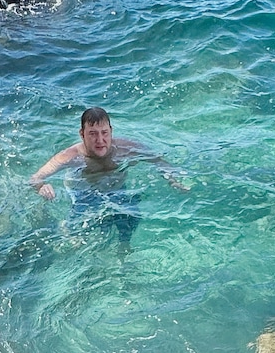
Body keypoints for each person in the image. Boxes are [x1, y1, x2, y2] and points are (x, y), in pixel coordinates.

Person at [29, 107, 186, 249]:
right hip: (83, 193)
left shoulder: (125, 149)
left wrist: (173, 180)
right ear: (82, 134)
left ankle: (123, 252)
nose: (100, 140)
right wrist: (42, 186)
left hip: (117, 190)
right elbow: (35, 177)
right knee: (79, 236)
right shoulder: (71, 156)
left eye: (104, 133)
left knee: (130, 221)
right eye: (92, 134)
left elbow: (158, 160)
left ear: (111, 131)